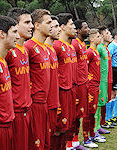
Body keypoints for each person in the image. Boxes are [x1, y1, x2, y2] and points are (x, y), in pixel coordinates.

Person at [0, 16, 19, 150]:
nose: (18, 37)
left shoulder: (2, 60)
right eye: (14, 32)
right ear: (2, 34)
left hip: (8, 124)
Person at [24, 9, 52, 150]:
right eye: (48, 22)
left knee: (45, 142)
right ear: (37, 25)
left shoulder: (45, 48)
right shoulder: (28, 47)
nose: (51, 25)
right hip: (34, 104)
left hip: (45, 102)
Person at [6, 7, 34, 150]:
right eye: (27, 22)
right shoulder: (8, 52)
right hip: (14, 113)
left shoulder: (26, 50)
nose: (32, 26)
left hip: (27, 110)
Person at [52, 13, 75, 150]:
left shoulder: (69, 46)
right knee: (58, 127)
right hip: (61, 92)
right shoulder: (56, 46)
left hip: (71, 89)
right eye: (71, 24)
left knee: (67, 125)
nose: (74, 28)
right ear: (63, 27)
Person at [83, 29, 106, 148]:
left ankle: (93, 134)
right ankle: (86, 138)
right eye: (98, 36)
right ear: (91, 39)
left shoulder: (96, 52)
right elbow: (84, 69)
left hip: (96, 86)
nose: (100, 38)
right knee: (89, 112)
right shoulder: (89, 52)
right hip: (90, 86)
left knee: (93, 111)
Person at [71, 19, 90, 149]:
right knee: (74, 114)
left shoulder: (83, 44)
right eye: (85, 27)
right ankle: (71, 142)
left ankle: (76, 141)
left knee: (80, 114)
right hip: (76, 85)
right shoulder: (74, 44)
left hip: (84, 83)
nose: (87, 29)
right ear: (78, 30)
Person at [44, 15, 61, 150]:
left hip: (55, 99)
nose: (57, 29)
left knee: (56, 130)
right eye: (54, 25)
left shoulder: (51, 50)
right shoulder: (32, 49)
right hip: (43, 104)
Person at [95, 26, 112, 134]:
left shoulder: (105, 48)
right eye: (106, 33)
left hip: (105, 80)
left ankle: (99, 125)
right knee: (97, 105)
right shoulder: (99, 47)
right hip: (100, 80)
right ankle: (95, 128)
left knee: (102, 103)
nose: (109, 34)